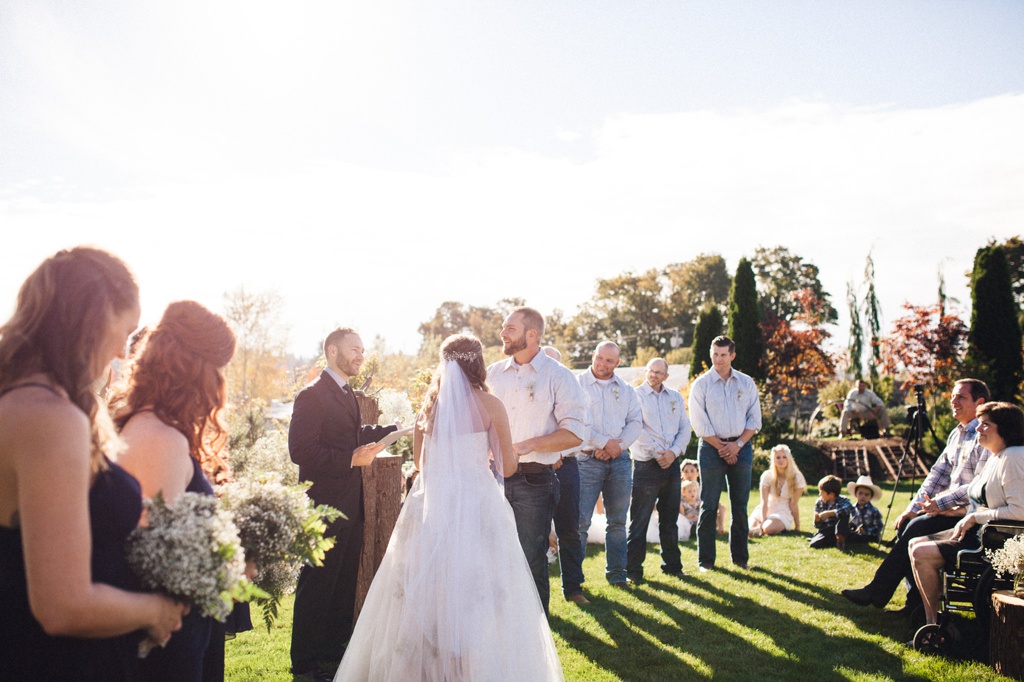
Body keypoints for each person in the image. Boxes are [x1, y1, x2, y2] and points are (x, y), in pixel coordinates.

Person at [0, 247, 186, 681]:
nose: (124, 351)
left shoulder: (26, 399)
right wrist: (156, 610)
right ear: (93, 319)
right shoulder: (48, 416)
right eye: (125, 331)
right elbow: (63, 605)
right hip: (54, 662)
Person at [335, 335, 564, 681]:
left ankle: (426, 666)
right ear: (477, 363)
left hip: (433, 505)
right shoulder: (491, 405)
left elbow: (421, 465)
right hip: (476, 502)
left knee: (429, 586)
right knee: (480, 589)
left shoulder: (428, 408)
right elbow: (509, 468)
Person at [112, 301, 242, 682]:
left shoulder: (155, 424)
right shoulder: (159, 438)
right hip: (172, 642)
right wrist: (233, 565)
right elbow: (156, 559)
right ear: (197, 368)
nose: (221, 380)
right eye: (219, 368)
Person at [288, 328, 398, 678]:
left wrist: (395, 430)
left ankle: (333, 652)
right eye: (354, 350)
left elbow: (352, 435)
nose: (361, 356)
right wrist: (351, 459)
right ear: (332, 351)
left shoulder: (347, 393)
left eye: (363, 350)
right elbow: (300, 451)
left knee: (342, 582)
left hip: (351, 503)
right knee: (318, 582)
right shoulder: (312, 395)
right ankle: (305, 662)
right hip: (322, 503)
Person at [841, 379, 990, 613]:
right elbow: (936, 475)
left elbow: (976, 486)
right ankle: (915, 603)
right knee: (909, 523)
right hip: (948, 511)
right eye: (952, 395)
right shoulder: (957, 434)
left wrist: (938, 504)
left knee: (918, 526)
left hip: (969, 516)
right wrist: (912, 507)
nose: (953, 400)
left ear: (979, 402)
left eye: (960, 397)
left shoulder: (984, 435)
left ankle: (878, 590)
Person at [488, 307, 588, 613]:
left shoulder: (559, 376)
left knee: (531, 559)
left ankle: (535, 639)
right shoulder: (491, 374)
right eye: (504, 328)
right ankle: (500, 630)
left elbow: (575, 433)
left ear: (532, 334)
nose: (502, 333)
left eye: (510, 329)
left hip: (535, 480)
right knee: (493, 557)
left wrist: (527, 446)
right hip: (492, 478)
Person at [909, 401, 1024, 628]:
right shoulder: (996, 456)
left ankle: (932, 625)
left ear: (1005, 428)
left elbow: (1019, 511)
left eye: (985, 425)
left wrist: (974, 518)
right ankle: (932, 618)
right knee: (914, 543)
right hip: (980, 531)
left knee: (922, 552)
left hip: (997, 540)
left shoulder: (1014, 458)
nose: (978, 429)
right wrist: (960, 512)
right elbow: (983, 500)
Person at [687, 335, 761, 571]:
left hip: (741, 448)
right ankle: (706, 562)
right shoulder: (701, 385)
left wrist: (736, 446)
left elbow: (754, 419)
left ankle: (740, 559)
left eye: (723, 355)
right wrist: (722, 448)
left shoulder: (746, 382)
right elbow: (699, 423)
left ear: (732, 355)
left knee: (740, 506)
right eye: (714, 354)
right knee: (709, 505)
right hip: (711, 449)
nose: (718, 359)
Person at [575, 342, 642, 588]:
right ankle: (574, 580)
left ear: (618, 362)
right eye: (599, 358)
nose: (603, 364)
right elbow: (576, 421)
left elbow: (635, 421)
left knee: (617, 521)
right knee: (580, 522)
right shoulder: (576, 384)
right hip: (586, 460)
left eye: (609, 361)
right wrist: (603, 443)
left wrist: (617, 447)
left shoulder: (626, 389)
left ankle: (616, 575)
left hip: (620, 462)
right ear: (593, 355)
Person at [626, 358, 691, 583]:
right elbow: (636, 428)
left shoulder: (674, 397)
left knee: (669, 520)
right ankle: (633, 571)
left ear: (666, 375)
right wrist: (658, 453)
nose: (653, 375)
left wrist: (673, 452)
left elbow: (685, 427)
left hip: (671, 466)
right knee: (639, 521)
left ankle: (672, 566)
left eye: (658, 372)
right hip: (646, 466)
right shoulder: (634, 396)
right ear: (646, 372)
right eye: (651, 371)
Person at [543, 345, 589, 605]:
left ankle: (573, 588)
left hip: (567, 466)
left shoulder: (574, 390)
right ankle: (536, 594)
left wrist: (559, 452)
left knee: (569, 528)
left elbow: (584, 429)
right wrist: (549, 454)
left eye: (555, 363)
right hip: (535, 465)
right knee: (535, 531)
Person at [748, 445, 806, 538]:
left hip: (783, 511)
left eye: (784, 457)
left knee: (767, 528)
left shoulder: (797, 477)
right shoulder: (767, 475)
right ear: (773, 460)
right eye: (778, 457)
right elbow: (764, 501)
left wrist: (797, 526)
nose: (781, 460)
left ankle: (770, 527)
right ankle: (761, 526)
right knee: (749, 528)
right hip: (766, 508)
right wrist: (763, 520)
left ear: (789, 459)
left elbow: (794, 503)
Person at [808, 475, 855, 550]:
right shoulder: (819, 502)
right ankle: (836, 541)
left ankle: (840, 538)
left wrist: (832, 513)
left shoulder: (843, 500)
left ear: (831, 494)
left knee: (844, 515)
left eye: (822, 492)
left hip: (841, 529)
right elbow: (818, 526)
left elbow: (850, 508)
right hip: (827, 530)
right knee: (814, 544)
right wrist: (817, 521)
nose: (820, 495)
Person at [681, 458, 726, 534]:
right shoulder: (681, 489)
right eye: (686, 472)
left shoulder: (702, 488)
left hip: (699, 513)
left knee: (721, 507)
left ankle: (720, 528)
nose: (689, 474)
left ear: (698, 473)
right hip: (686, 514)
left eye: (692, 471)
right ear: (682, 474)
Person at [845, 475, 884, 545]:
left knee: (864, 538)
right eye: (860, 493)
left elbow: (879, 526)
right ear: (856, 494)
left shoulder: (873, 511)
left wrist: (866, 531)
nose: (863, 496)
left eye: (866, 495)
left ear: (870, 497)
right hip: (856, 532)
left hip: (871, 534)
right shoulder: (852, 508)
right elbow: (850, 522)